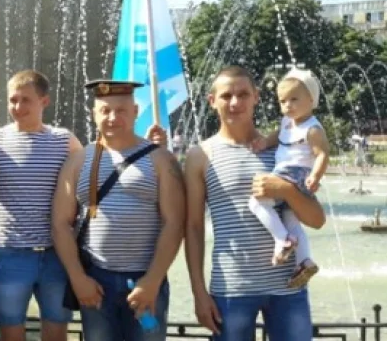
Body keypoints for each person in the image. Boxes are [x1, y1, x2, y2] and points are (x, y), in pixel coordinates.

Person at [184, 65, 326, 341]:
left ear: (256, 97)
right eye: (226, 96)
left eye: (243, 94)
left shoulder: (283, 148)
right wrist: (198, 292)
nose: (235, 102)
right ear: (212, 101)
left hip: (288, 287)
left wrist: (287, 190)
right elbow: (193, 227)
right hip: (232, 288)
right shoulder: (200, 155)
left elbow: (317, 219)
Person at [51, 80, 185, 341]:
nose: (113, 118)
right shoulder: (78, 161)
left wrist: (153, 280)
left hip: (146, 280)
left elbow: (174, 223)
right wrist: (78, 278)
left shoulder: (160, 159)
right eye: (105, 111)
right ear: (94, 114)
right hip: (96, 282)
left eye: (121, 110)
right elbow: (60, 223)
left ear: (135, 112)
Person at [0, 70, 83, 341]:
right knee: (10, 331)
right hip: (12, 253)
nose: (18, 107)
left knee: (56, 331)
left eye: (25, 100)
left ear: (44, 101)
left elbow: (89, 180)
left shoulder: (65, 140)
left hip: (56, 254)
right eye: (13, 100)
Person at [249, 68, 328, 287]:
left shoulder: (312, 129)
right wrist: (266, 142)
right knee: (291, 217)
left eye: (294, 99)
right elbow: (279, 135)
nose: (288, 105)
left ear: (311, 99)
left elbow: (322, 154)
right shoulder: (287, 121)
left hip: (293, 173)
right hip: (292, 175)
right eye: (283, 101)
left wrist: (315, 176)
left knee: (256, 202)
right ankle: (304, 261)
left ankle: (282, 239)